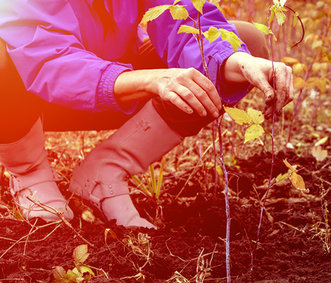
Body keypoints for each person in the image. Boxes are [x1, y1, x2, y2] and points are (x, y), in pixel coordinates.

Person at [0, 1, 293, 229]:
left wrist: (237, 62)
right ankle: (29, 171)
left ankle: (107, 169)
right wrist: (149, 80)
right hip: (35, 95)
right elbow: (46, 59)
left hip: (118, 85)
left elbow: (186, 18)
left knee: (246, 41)